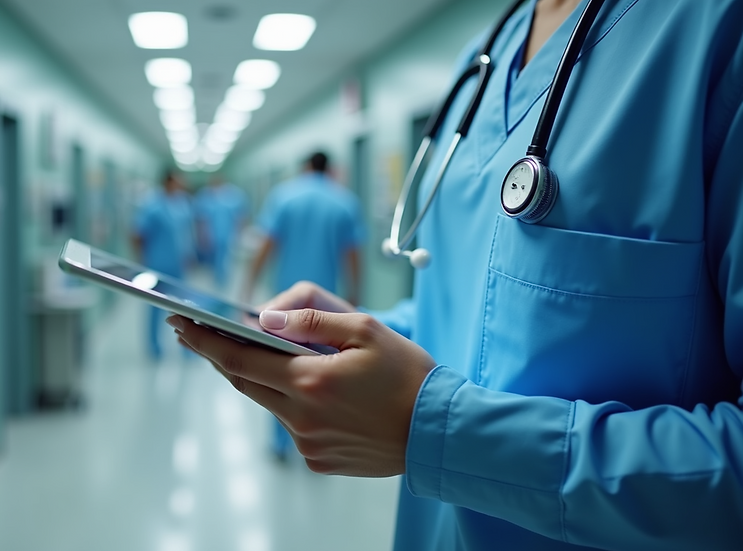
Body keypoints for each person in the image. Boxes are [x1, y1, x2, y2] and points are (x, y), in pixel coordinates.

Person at [167, 0, 743, 549]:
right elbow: (469, 307)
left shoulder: (717, 31)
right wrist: (368, 330)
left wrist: (440, 432)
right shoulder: (483, 61)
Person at [244, 151, 365, 460]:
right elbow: (352, 254)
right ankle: (320, 444)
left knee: (283, 369)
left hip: (285, 304)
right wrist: (354, 293)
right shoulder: (344, 201)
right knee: (323, 371)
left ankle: (281, 441)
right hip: (327, 305)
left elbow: (267, 245)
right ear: (329, 168)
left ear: (306, 166)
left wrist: (249, 283)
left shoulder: (284, 196)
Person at [131, 169, 195, 361]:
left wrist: (189, 253)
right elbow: (137, 234)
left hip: (179, 265)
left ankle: (188, 346)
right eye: (177, 181)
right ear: (167, 181)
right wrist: (142, 260)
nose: (181, 184)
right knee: (155, 306)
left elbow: (186, 233)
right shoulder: (152, 205)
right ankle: (154, 347)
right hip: (157, 264)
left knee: (182, 307)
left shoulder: (183, 203)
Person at [193, 174, 249, 290]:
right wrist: (201, 237)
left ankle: (223, 286)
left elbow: (241, 216)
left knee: (227, 263)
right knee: (212, 266)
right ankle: (216, 286)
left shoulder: (234, 195)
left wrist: (240, 234)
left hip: (229, 235)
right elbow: (200, 219)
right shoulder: (204, 195)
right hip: (211, 237)